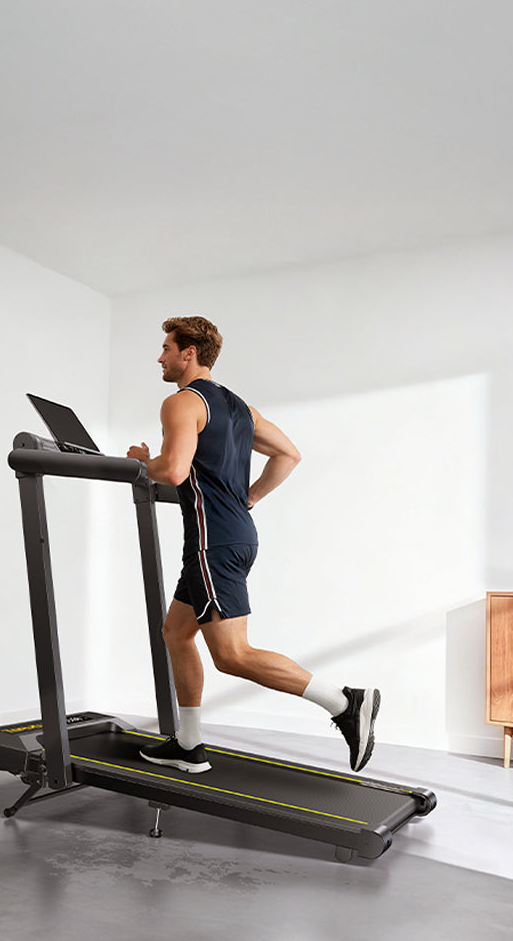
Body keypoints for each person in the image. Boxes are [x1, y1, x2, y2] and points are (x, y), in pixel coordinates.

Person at [126, 315, 380, 775]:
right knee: (176, 633)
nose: (159, 357)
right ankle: (188, 744)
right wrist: (250, 498)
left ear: (189, 354)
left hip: (212, 545)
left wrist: (145, 463)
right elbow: (289, 454)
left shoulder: (181, 402)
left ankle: (344, 703)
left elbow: (176, 470)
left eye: (166, 348)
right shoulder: (241, 408)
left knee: (232, 656)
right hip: (236, 536)